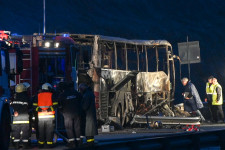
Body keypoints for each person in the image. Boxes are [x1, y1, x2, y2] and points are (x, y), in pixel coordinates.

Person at [33, 83, 58, 148]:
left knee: (41, 131)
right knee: (49, 131)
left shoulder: (38, 96)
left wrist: (40, 110)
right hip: (50, 116)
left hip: (41, 117)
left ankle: (41, 144)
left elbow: (34, 106)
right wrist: (48, 110)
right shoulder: (52, 95)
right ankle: (49, 144)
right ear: (48, 88)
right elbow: (55, 105)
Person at [58, 81, 82, 148]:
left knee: (69, 128)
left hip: (67, 114)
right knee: (77, 127)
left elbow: (59, 106)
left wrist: (62, 112)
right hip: (77, 113)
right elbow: (81, 101)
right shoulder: (76, 93)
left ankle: (72, 143)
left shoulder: (62, 95)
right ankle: (79, 142)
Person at [11, 83, 31, 149]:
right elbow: (27, 106)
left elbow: (12, 106)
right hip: (24, 117)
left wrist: (16, 112)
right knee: (25, 132)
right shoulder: (25, 97)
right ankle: (25, 146)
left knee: (16, 132)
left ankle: (16, 146)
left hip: (16, 118)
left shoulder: (14, 97)